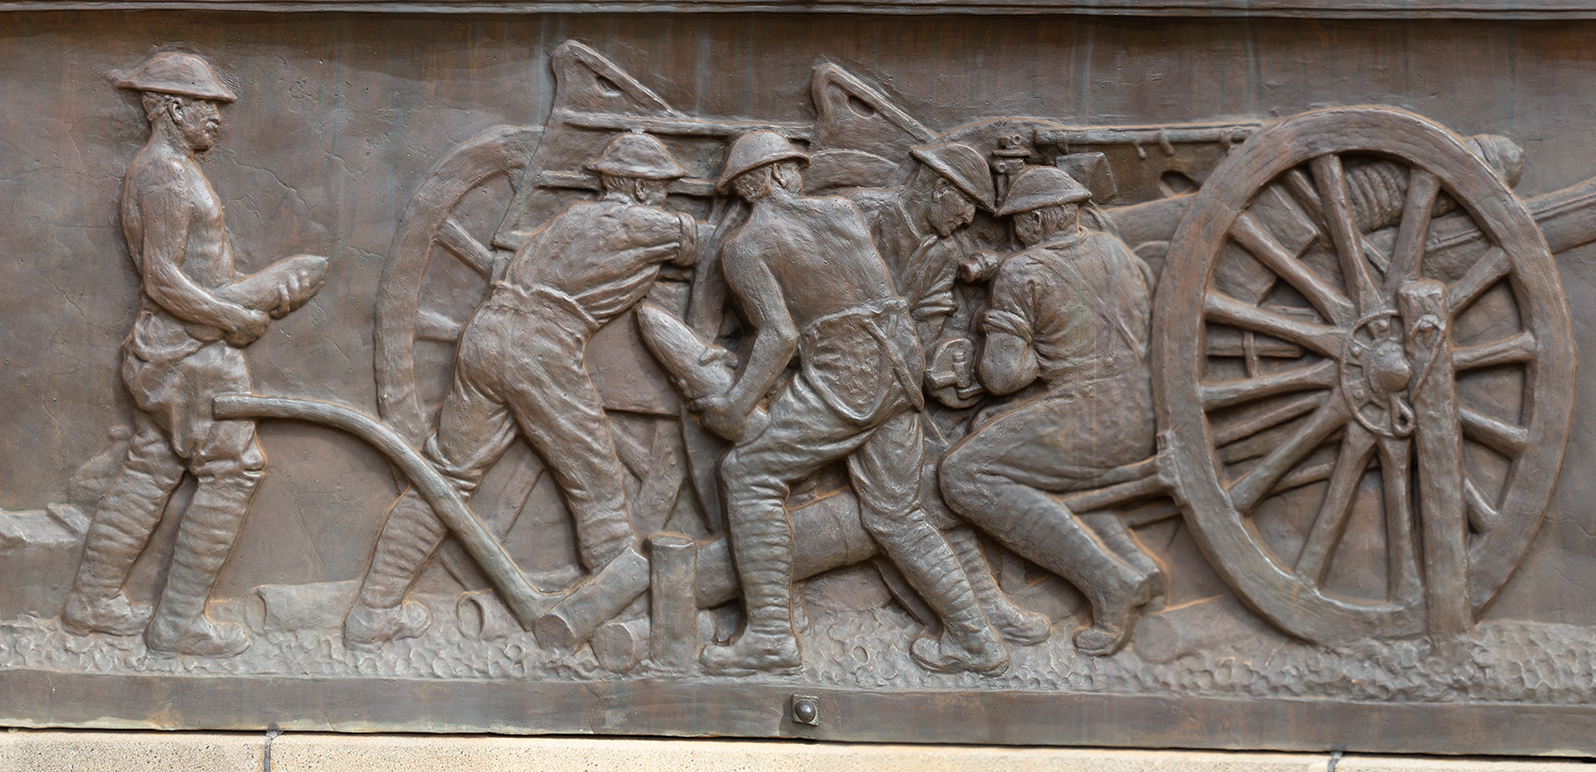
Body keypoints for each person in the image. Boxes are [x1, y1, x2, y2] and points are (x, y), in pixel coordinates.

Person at [339, 131, 697, 647]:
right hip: (540, 345)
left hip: (486, 334)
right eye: (661, 185)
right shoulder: (641, 222)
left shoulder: (571, 220)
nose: (664, 195)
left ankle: (373, 612)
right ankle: (623, 624)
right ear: (638, 187)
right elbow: (719, 242)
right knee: (596, 486)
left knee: (447, 475)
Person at [695, 130, 1008, 676]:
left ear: (747, 186)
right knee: (895, 513)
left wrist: (736, 404)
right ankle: (976, 641)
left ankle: (770, 636)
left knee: (748, 474)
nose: (796, 175)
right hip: (902, 368)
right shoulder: (842, 211)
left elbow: (778, 337)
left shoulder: (744, 248)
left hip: (848, 377)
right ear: (784, 175)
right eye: (792, 167)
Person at [60, 52, 328, 656]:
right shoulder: (165, 175)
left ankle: (91, 601)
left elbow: (184, 275)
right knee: (235, 471)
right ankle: (178, 621)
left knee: (152, 467)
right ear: (174, 108)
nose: (217, 119)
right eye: (207, 106)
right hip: (190, 357)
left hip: (172, 350)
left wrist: (256, 291)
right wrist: (232, 316)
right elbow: (160, 278)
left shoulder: (168, 168)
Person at [938, 165, 1165, 657]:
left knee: (964, 473)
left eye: (1020, 221)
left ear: (1039, 221)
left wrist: (1026, 346)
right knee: (987, 430)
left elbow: (1000, 376)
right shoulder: (1117, 252)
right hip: (1145, 415)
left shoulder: (1024, 273)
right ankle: (1134, 563)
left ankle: (1110, 584)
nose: (1017, 232)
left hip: (1088, 420)